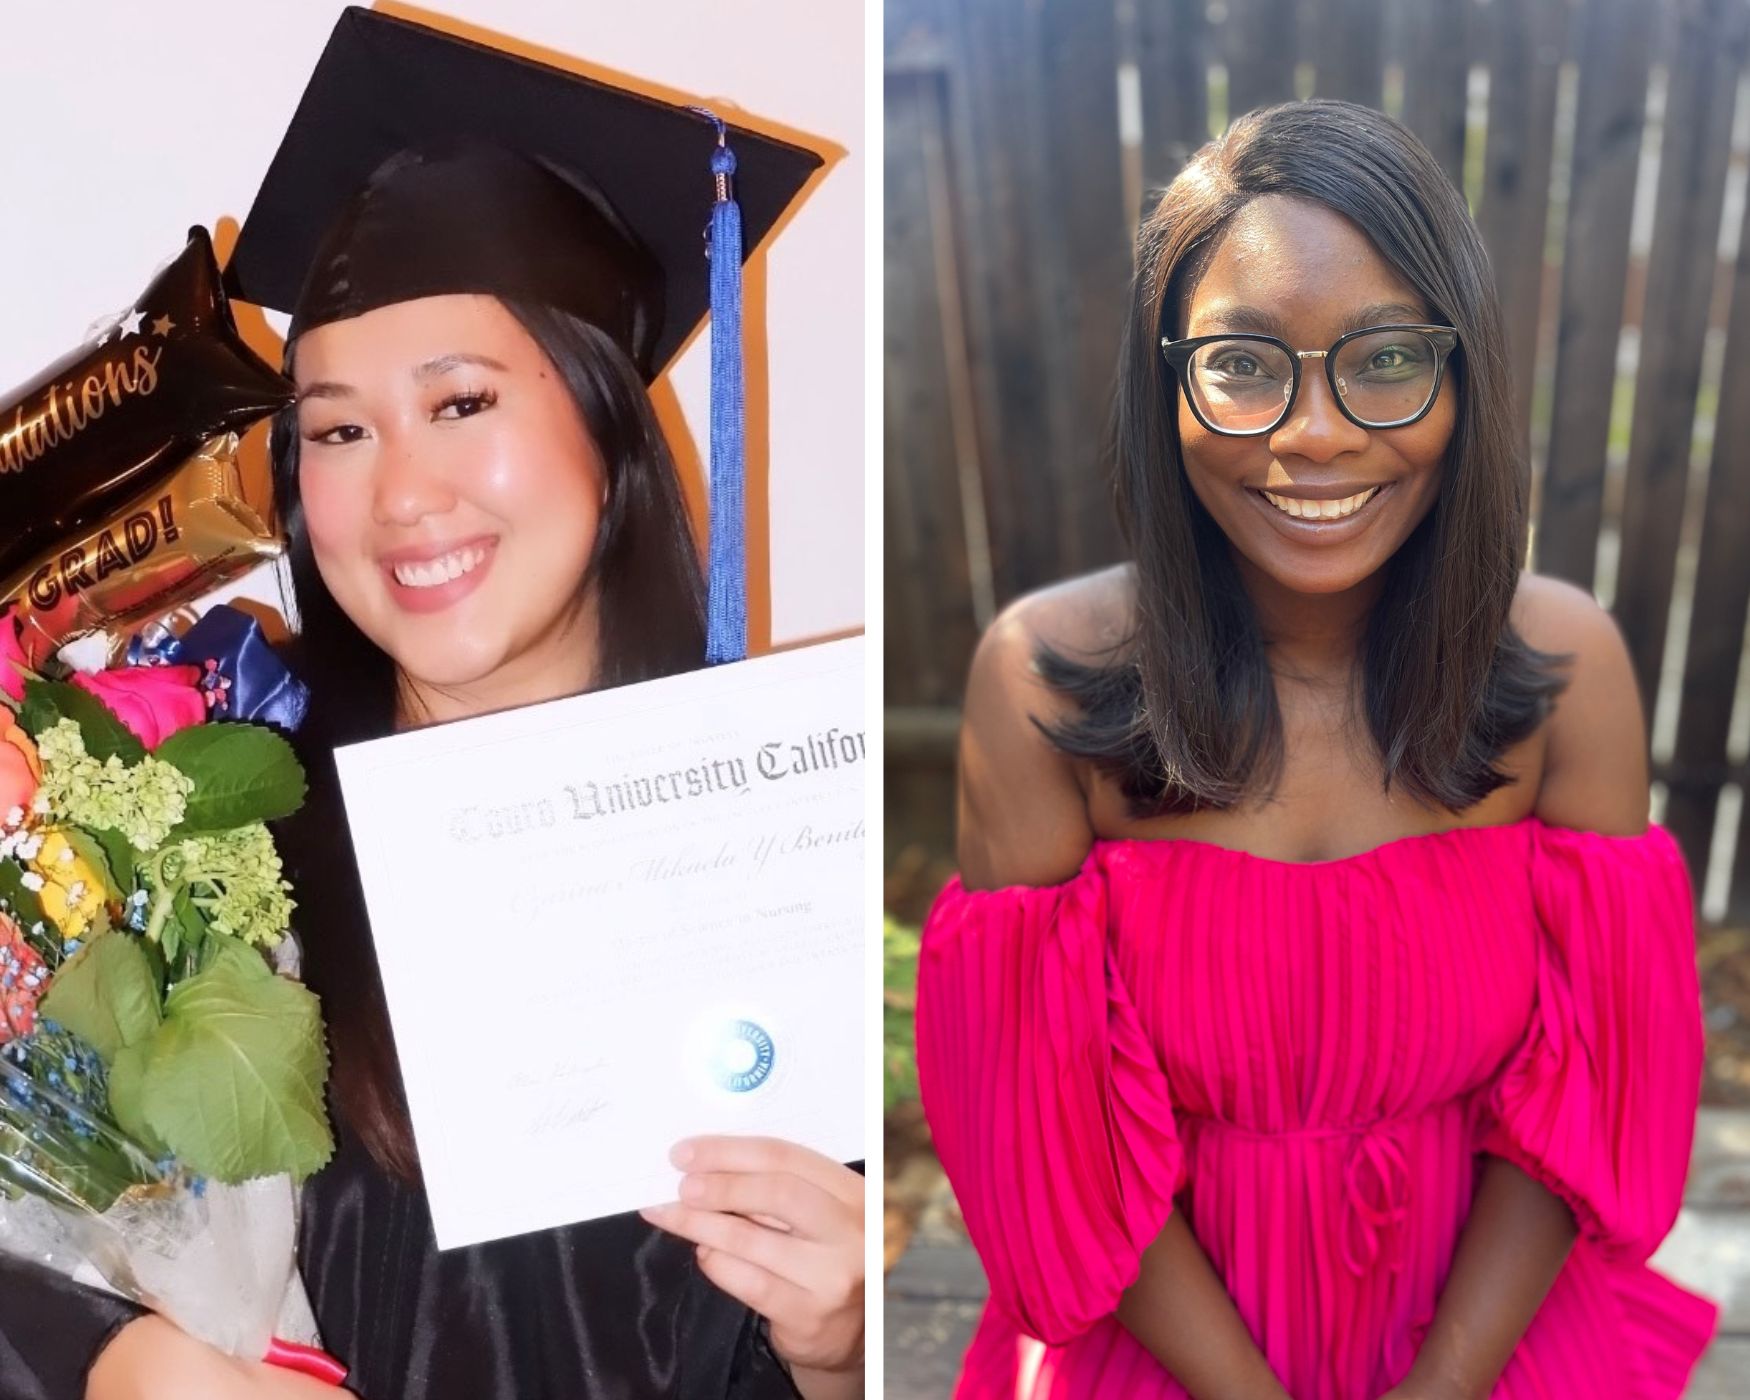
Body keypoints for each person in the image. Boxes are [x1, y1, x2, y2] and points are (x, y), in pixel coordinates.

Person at [0, 10, 863, 1400]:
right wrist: (122, 1365)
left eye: (459, 404)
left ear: (606, 428)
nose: (400, 493)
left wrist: (843, 1356)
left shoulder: (793, 869)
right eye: (336, 429)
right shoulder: (202, 854)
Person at [914, 99, 1718, 1399]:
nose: (1314, 434)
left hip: (1487, 1333)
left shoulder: (1568, 675)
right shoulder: (1042, 683)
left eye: (1385, 358)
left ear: (1462, 378)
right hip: (1170, 1341)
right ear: (1164, 381)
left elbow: (1585, 1101)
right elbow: (1047, 1138)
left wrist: (1438, 1386)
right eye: (1240, 364)